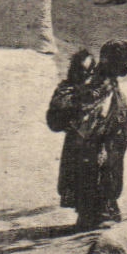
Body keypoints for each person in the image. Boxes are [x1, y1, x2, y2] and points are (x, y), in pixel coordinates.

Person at [65, 40, 127, 231]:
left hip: (103, 142)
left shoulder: (105, 79)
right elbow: (98, 120)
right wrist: (104, 145)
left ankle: (100, 211)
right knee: (99, 176)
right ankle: (97, 214)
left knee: (102, 177)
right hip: (98, 144)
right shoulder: (102, 83)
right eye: (126, 61)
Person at [47, 49, 97, 215]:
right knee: (74, 174)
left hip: (94, 139)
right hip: (76, 141)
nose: (88, 74)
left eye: (91, 70)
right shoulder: (66, 89)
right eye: (84, 70)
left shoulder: (97, 87)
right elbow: (54, 119)